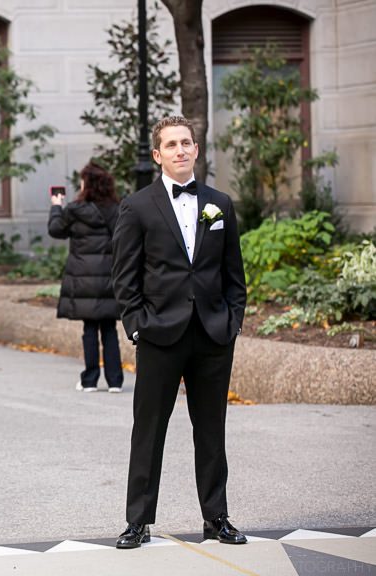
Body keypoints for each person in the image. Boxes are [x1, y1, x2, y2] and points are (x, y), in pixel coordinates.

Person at [110, 115, 247, 549]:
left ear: (196, 149)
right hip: (159, 336)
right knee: (148, 430)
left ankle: (217, 518)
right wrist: (137, 326)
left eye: (186, 143)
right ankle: (137, 521)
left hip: (212, 336)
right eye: (171, 145)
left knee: (211, 432)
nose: (180, 150)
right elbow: (124, 277)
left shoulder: (220, 204)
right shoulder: (137, 207)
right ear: (158, 155)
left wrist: (232, 323)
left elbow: (234, 277)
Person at [49, 162, 123, 392]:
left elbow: (55, 230)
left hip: (83, 278)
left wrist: (56, 206)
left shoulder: (74, 209)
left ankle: (90, 379)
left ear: (87, 184)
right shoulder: (118, 209)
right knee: (109, 329)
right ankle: (115, 381)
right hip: (110, 277)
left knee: (90, 329)